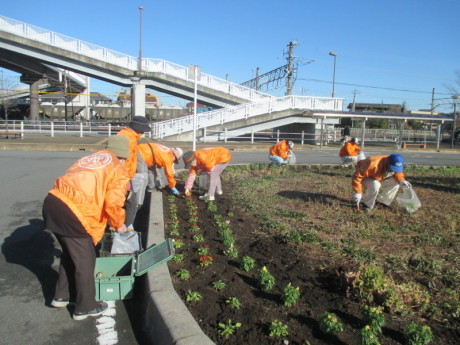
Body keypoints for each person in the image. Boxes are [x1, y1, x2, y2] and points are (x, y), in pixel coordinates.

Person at [42, 136, 131, 321]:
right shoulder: (118, 169)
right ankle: (85, 307)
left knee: (70, 253)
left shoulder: (88, 160)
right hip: (75, 213)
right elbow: (113, 203)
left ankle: (62, 296)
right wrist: (119, 225)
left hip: (53, 202)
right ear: (122, 157)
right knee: (86, 260)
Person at [116, 116, 151, 230]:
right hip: (122, 177)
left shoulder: (128, 136)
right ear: (138, 128)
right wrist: (126, 179)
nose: (142, 133)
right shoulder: (128, 138)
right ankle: (124, 227)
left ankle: (123, 225)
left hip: (125, 176)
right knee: (130, 203)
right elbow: (123, 161)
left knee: (127, 202)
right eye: (142, 131)